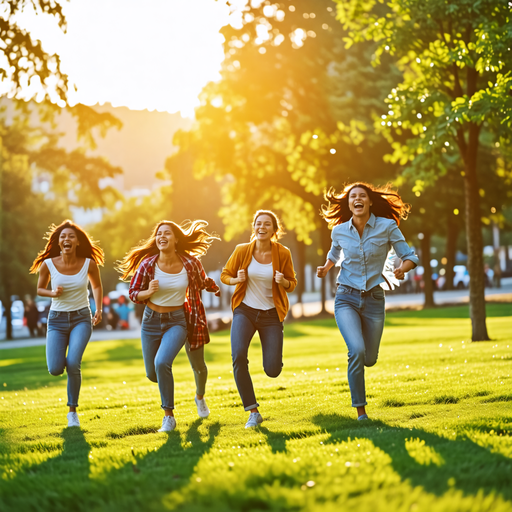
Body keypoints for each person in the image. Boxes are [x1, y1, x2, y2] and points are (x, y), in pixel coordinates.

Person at [316, 183, 418, 421]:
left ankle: (363, 362)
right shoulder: (339, 231)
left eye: (362, 196)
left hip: (373, 299)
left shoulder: (387, 227)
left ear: (370, 202)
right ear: (349, 203)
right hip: (345, 298)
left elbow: (410, 256)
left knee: (369, 358)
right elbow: (334, 254)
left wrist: (403, 269)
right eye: (353, 196)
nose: (357, 199)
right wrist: (326, 267)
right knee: (357, 351)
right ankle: (361, 412)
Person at [117, 220, 220, 432]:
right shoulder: (148, 265)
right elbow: (134, 293)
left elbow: (201, 281)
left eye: (167, 233)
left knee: (164, 362)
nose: (161, 236)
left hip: (178, 321)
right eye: (158, 234)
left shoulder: (190, 264)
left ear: (176, 239)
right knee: (153, 373)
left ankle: (172, 414)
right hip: (150, 321)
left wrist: (214, 287)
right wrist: (148, 292)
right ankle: (170, 407)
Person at [221, 210, 297, 428]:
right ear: (253, 227)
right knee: (238, 356)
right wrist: (237, 278)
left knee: (272, 370)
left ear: (274, 230)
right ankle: (253, 412)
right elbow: (225, 275)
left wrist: (283, 282)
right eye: (258, 223)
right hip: (244, 310)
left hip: (272, 315)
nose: (262, 227)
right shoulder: (242, 250)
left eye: (267, 224)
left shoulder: (283, 253)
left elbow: (293, 283)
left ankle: (274, 358)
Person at [30, 220, 104, 428]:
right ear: (59, 242)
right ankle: (60, 355)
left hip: (81, 318)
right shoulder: (49, 264)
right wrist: (52, 293)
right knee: (55, 368)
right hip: (57, 320)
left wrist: (98, 309)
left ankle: (72, 411)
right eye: (63, 237)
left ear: (78, 242)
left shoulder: (89, 263)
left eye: (71, 236)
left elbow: (97, 286)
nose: (66, 239)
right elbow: (39, 290)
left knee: (73, 363)